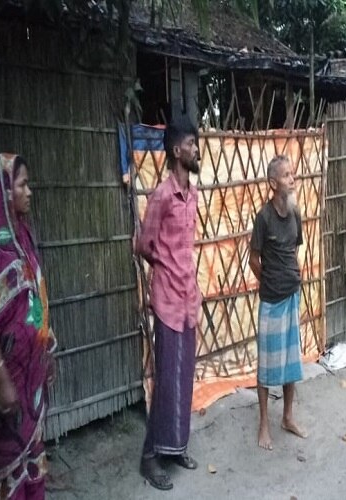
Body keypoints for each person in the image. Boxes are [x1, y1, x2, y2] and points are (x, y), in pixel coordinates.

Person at [0, 154, 57, 500]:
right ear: (4, 191)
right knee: (6, 454)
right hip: (6, 375)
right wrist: (0, 377)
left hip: (31, 371)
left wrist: (47, 346)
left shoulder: (24, 237)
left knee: (33, 451)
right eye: (22, 185)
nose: (29, 192)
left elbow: (37, 296)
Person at [136, 120, 203, 491]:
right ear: (177, 151)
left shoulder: (190, 194)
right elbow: (143, 244)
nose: (196, 149)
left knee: (184, 376)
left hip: (188, 298)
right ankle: (149, 458)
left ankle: (176, 447)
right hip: (166, 299)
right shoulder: (162, 196)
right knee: (165, 381)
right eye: (192, 144)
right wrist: (164, 268)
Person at [249, 155, 309, 452]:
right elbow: (253, 259)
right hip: (271, 299)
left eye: (292, 173)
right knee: (267, 364)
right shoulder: (264, 218)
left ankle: (287, 417)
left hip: (291, 295)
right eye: (286, 175)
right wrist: (269, 280)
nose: (292, 178)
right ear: (274, 183)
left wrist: (292, 278)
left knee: (290, 361)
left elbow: (294, 251)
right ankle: (263, 423)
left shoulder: (295, 213)